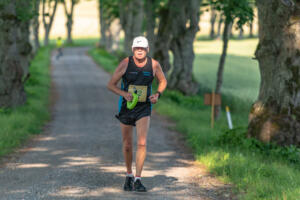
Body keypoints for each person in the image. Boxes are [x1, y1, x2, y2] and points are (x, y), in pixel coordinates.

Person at [107, 36, 167, 192]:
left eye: (142, 48)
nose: (139, 51)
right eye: (136, 48)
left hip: (144, 107)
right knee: (127, 144)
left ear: (147, 49)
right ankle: (128, 175)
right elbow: (110, 85)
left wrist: (158, 95)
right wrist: (124, 93)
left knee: (142, 143)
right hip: (126, 106)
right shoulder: (126, 63)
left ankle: (138, 179)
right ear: (133, 49)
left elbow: (163, 81)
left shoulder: (154, 64)